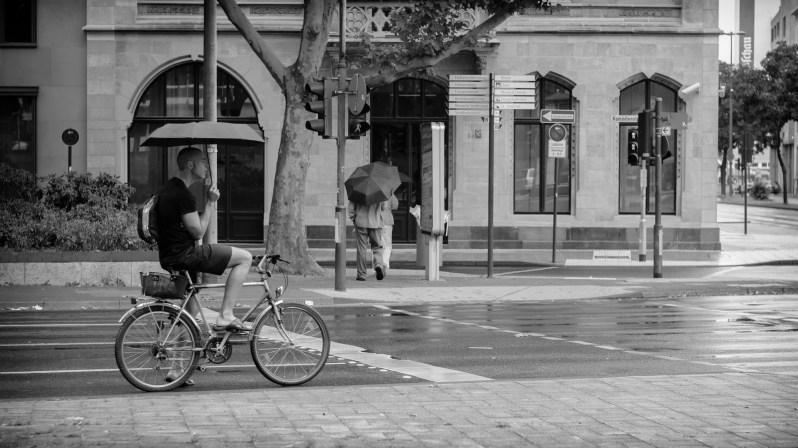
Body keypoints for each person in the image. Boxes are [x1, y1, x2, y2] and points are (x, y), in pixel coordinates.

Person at [156, 147, 253, 332]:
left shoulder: (168, 188)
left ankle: (183, 353)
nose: (206, 167)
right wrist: (210, 202)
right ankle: (226, 315)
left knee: (191, 311)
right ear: (190, 165)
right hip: (186, 255)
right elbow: (198, 232)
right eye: (202, 161)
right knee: (245, 258)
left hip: (171, 256)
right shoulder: (181, 193)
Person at [347, 199, 386, 281]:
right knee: (377, 246)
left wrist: (354, 219)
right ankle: (378, 264)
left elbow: (351, 209)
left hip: (361, 222)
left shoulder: (357, 191)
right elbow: (383, 207)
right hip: (376, 222)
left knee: (362, 248)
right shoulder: (379, 191)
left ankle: (361, 274)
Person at [377, 191, 398, 270]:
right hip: (388, 220)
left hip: (377, 220)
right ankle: (385, 263)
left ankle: (378, 264)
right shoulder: (389, 192)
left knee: (377, 244)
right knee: (387, 244)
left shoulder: (374, 192)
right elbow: (395, 205)